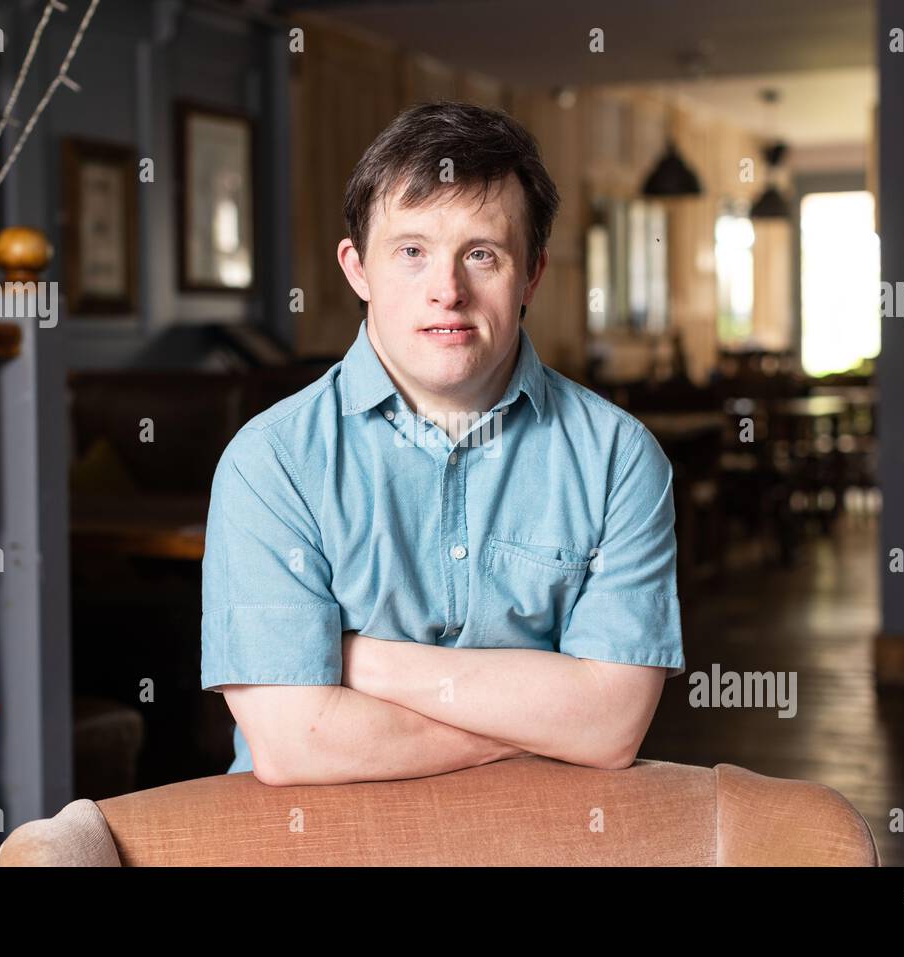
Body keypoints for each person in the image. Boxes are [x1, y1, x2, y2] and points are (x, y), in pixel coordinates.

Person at [201, 101, 684, 786]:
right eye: (411, 252)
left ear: (532, 273)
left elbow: (610, 725)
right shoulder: (270, 463)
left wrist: (359, 662)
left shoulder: (619, 459)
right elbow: (295, 745)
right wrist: (544, 723)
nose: (446, 291)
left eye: (481, 254)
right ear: (358, 268)